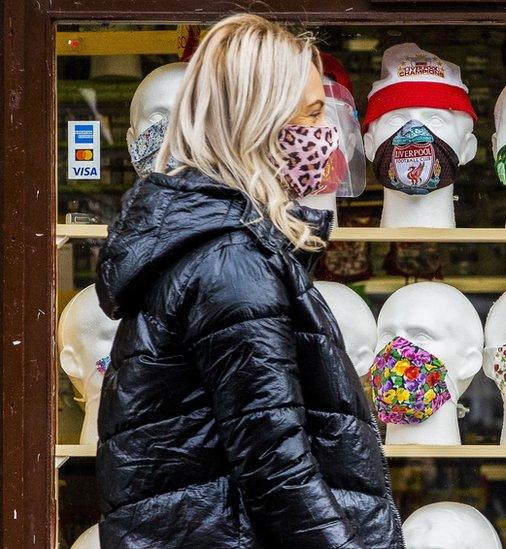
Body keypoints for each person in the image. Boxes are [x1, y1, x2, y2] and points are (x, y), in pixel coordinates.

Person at [94, 14, 403, 548]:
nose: (323, 134)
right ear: (260, 122)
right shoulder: (232, 259)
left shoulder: (208, 239)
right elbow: (274, 461)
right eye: (310, 113)